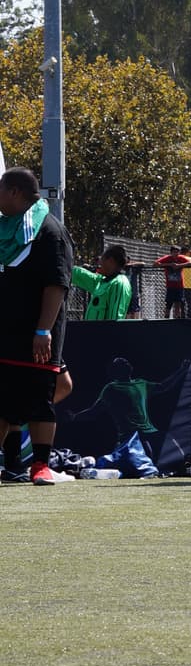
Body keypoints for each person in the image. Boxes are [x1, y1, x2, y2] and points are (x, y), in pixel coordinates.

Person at [0, 166, 74, 486]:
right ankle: (12, 460)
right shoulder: (6, 229)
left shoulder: (49, 231)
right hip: (6, 332)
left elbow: (56, 284)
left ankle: (40, 465)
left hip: (37, 335)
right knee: (3, 402)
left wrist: (43, 330)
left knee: (40, 398)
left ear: (15, 192)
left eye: (1, 191)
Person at [71, 244, 133, 323]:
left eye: (102, 259)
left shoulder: (119, 283)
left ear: (111, 261)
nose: (99, 263)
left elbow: (115, 320)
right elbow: (78, 274)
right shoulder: (102, 281)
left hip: (103, 334)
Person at [155, 245, 191, 320]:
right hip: (170, 286)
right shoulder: (167, 258)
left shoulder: (181, 258)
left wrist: (179, 266)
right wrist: (169, 265)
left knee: (178, 304)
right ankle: (166, 319)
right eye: (174, 252)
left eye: (177, 252)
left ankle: (177, 319)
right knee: (168, 304)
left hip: (179, 286)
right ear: (171, 252)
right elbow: (155, 264)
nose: (176, 254)